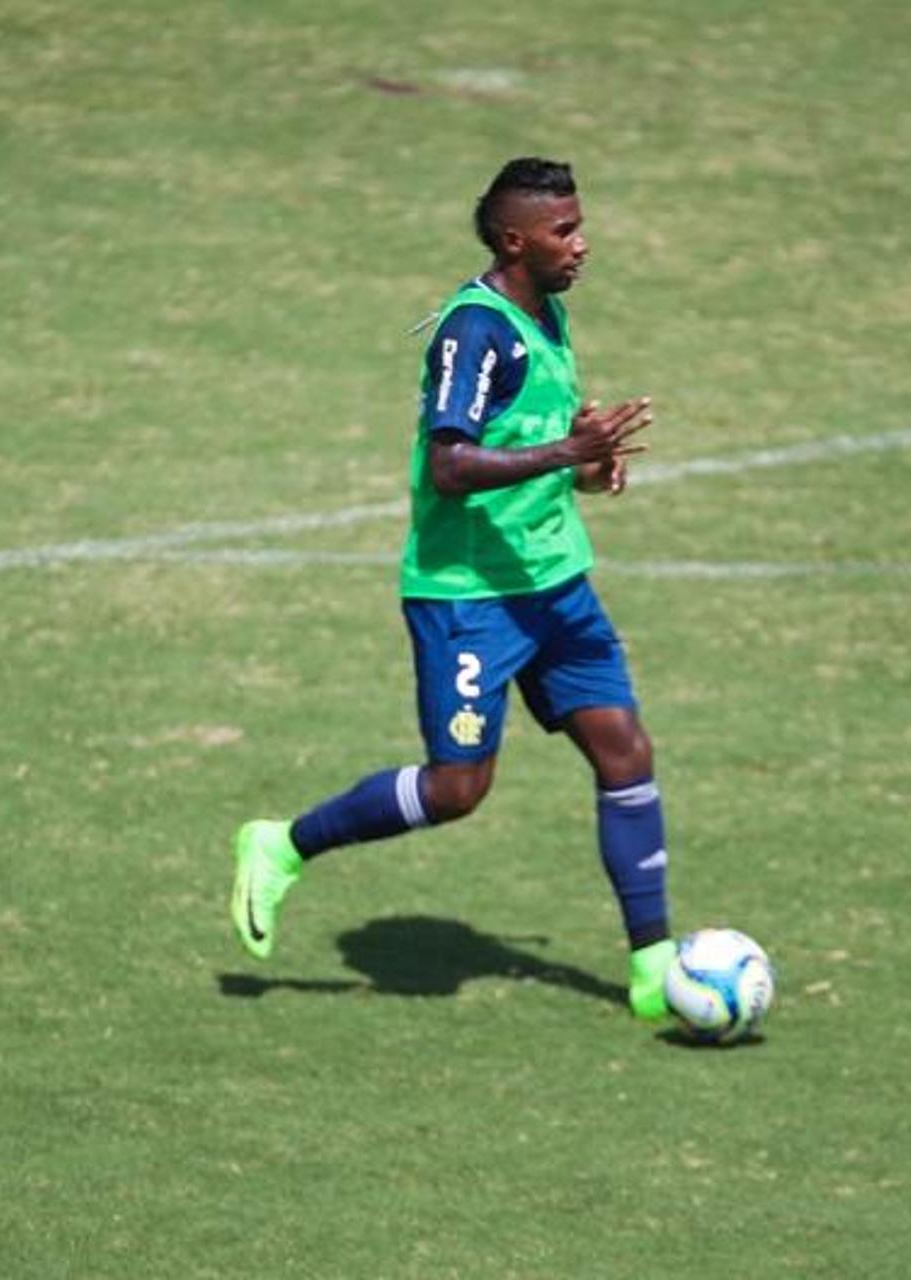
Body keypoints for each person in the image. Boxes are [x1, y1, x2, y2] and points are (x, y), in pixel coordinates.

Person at [231, 157, 677, 1020]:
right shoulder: (474, 332)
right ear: (515, 239)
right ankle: (281, 845)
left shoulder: (547, 314)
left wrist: (587, 469)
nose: (582, 244)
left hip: (555, 586)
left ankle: (655, 968)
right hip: (467, 597)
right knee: (457, 790)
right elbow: (451, 465)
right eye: (564, 231)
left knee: (626, 755)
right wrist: (563, 455)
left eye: (580, 225)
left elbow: (541, 447)